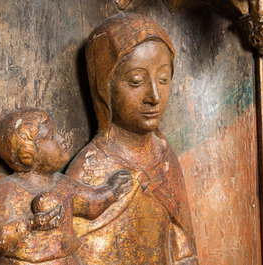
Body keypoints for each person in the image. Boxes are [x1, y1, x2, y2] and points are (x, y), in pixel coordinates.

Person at [66, 13, 199, 264]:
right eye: (136, 81)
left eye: (164, 79)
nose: (154, 96)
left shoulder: (165, 158)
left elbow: (184, 246)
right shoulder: (89, 170)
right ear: (104, 87)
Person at [0, 108, 133, 265]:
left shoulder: (63, 183)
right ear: (28, 154)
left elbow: (90, 204)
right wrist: (32, 224)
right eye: (51, 137)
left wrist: (112, 190)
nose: (62, 139)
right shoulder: (7, 189)